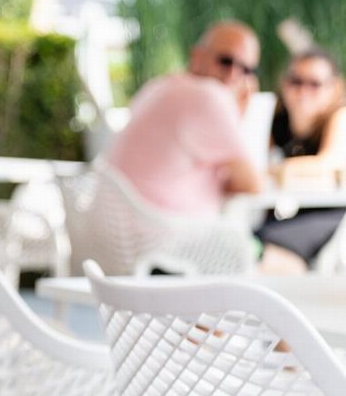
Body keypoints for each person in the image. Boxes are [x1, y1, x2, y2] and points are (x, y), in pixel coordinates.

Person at [107, 20, 265, 214]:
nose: (234, 74)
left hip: (113, 223)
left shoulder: (159, 86)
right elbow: (251, 184)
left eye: (247, 70)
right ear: (197, 56)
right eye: (226, 61)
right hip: (163, 227)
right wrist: (241, 111)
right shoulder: (209, 96)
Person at [256, 47, 346, 272]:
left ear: (334, 87)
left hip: (333, 214)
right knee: (252, 241)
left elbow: (329, 162)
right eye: (296, 81)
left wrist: (280, 169)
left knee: (276, 253)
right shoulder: (276, 118)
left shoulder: (339, 116)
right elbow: (254, 162)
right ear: (284, 84)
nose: (303, 91)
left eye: (315, 84)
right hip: (289, 211)